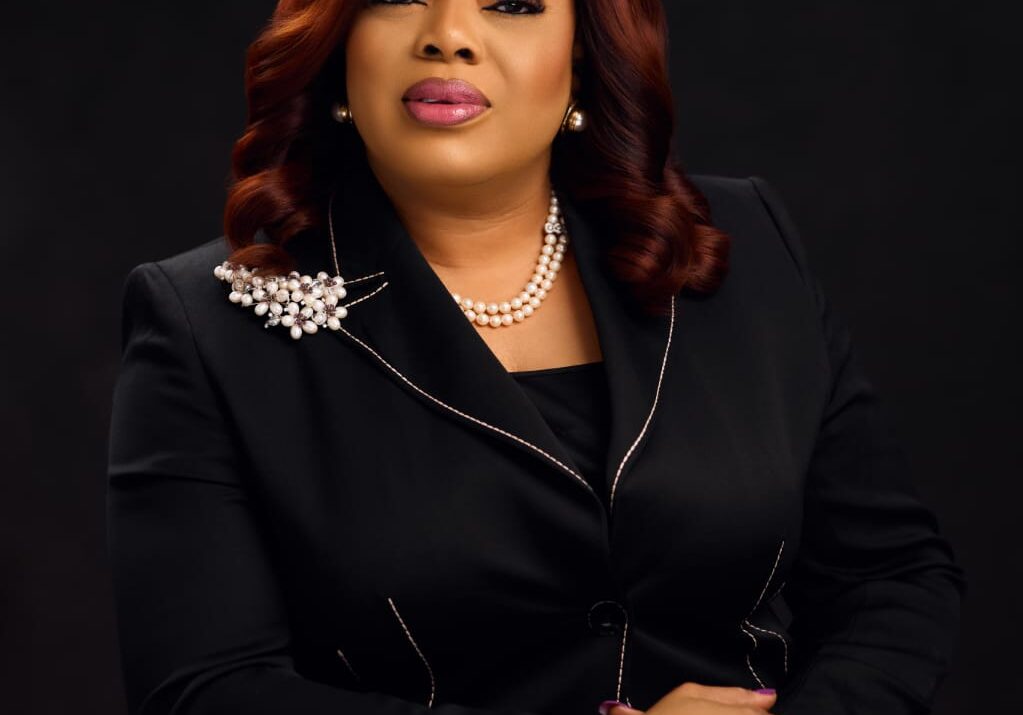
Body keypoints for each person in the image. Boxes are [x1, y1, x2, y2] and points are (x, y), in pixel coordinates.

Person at [105, 1, 966, 714]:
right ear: (337, 45)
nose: (448, 34)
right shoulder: (203, 323)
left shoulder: (741, 244)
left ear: (583, 55)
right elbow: (204, 688)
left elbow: (892, 575)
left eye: (513, 4)